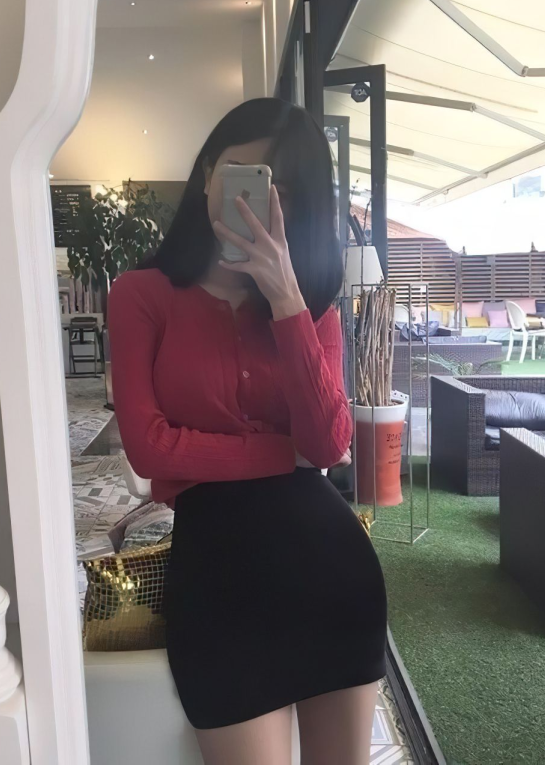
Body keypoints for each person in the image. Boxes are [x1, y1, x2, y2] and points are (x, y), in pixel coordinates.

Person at [108, 97, 387, 765]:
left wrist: (286, 298)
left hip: (333, 578)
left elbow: (328, 445)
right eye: (243, 176)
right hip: (220, 587)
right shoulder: (141, 294)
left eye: (280, 188)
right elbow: (149, 448)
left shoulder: (310, 302)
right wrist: (281, 453)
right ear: (208, 172)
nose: (258, 201)